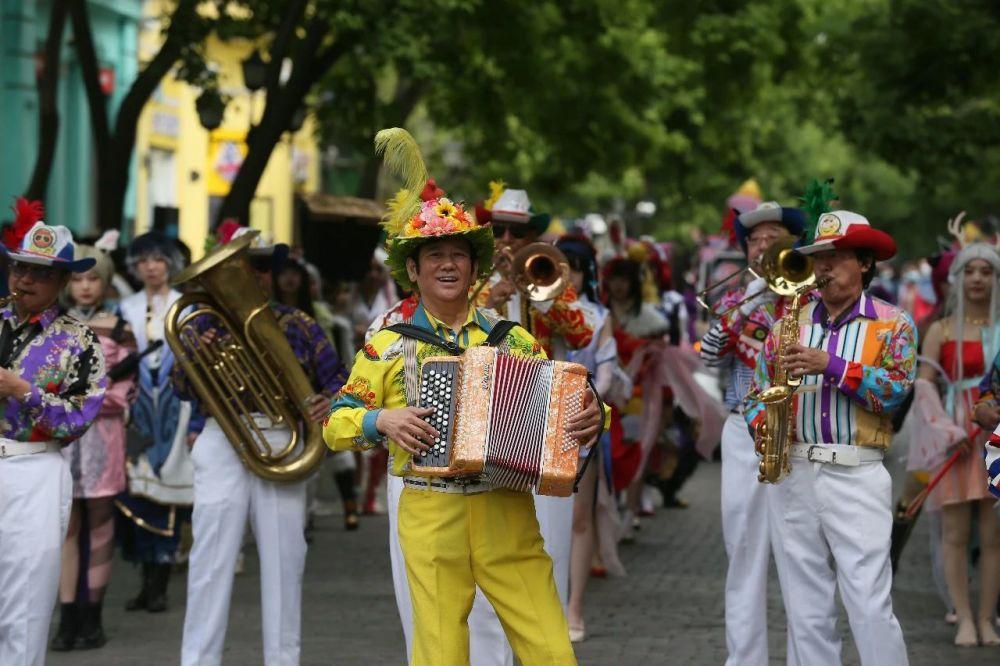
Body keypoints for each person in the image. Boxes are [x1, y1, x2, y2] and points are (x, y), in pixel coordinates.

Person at [324, 128, 604, 666]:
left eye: (458, 255)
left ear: (475, 269)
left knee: (551, 650)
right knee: (440, 655)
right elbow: (337, 421)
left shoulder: (513, 339)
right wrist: (381, 420)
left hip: (507, 510)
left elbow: (564, 400)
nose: (448, 264)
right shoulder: (388, 343)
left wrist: (596, 414)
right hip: (430, 513)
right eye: (434, 256)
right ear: (413, 270)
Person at [745, 210, 913, 665]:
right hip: (793, 468)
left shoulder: (893, 324)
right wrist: (764, 424)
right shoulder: (787, 325)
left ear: (863, 262)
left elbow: (894, 393)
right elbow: (756, 393)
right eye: (818, 257)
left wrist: (832, 366)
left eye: (836, 258)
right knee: (805, 608)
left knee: (868, 601)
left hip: (856, 471)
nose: (823, 268)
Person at [176, 224, 346, 666]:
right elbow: (181, 388)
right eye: (248, 266)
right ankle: (198, 660)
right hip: (224, 436)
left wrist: (327, 404)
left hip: (283, 438)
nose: (256, 275)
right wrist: (197, 357)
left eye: (262, 267)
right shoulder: (203, 326)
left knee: (284, 561)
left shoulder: (301, 325)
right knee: (210, 559)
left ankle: (283, 660)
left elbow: (341, 383)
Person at [469, 186, 596, 664]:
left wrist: (540, 297)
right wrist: (489, 297)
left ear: (531, 237)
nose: (506, 239)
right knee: (492, 547)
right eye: (498, 230)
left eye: (516, 232)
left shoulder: (548, 276)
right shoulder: (473, 282)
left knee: (553, 543)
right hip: (486, 423)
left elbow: (582, 333)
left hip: (543, 420)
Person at [0, 200, 108, 665]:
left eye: (40, 273)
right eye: (20, 268)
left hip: (33, 467)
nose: (24, 280)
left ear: (63, 282)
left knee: (24, 603)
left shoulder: (80, 340)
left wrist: (23, 391)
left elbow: (79, 418)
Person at [699, 201, 806, 665]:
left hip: (799, 436)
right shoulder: (735, 299)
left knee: (801, 554)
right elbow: (708, 357)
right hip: (745, 429)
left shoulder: (808, 294)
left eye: (772, 237)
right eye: (755, 241)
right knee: (743, 550)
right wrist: (744, 308)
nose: (763, 246)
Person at [51, 245, 136, 651]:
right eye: (79, 279)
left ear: (105, 282)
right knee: (65, 526)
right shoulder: (52, 326)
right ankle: (67, 617)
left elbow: (126, 392)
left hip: (104, 438)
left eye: (93, 279)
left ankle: (92, 616)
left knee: (101, 525)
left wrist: (84, 400)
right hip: (61, 440)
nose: (85, 287)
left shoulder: (121, 328)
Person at [919, 243, 1000, 647]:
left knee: (992, 536)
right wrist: (946, 433)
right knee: (954, 532)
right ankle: (964, 617)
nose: (978, 278)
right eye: (970, 271)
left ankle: (987, 618)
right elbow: (923, 384)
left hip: (997, 443)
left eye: (987, 271)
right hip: (957, 441)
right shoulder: (941, 329)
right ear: (959, 278)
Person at [116, 231, 195, 613]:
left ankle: (160, 582)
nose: (151, 266)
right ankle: (147, 582)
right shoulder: (124, 308)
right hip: (136, 411)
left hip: (176, 409)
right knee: (138, 492)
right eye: (144, 259)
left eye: (159, 259)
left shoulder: (186, 307)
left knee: (169, 492)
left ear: (170, 264)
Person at [555, 233, 623, 643]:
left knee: (580, 520)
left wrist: (592, 401)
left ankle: (574, 606)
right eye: (559, 267)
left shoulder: (598, 316)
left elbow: (608, 369)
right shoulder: (530, 310)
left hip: (581, 425)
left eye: (574, 268)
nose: (567, 277)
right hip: (529, 427)